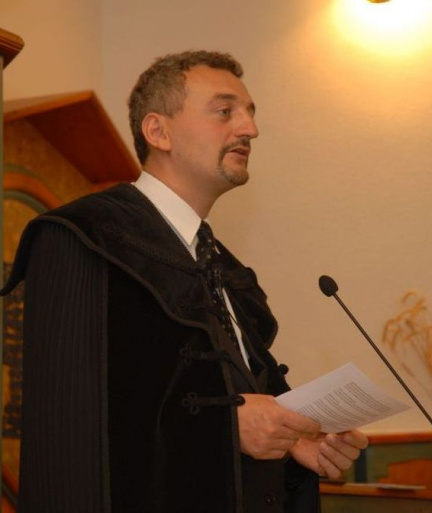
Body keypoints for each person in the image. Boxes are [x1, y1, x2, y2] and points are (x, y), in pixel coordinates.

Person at [2, 50, 368, 513]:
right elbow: (69, 423)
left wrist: (292, 446)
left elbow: (224, 407)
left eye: (250, 112)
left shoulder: (223, 267)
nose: (250, 129)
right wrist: (226, 429)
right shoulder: (83, 236)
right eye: (225, 111)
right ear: (158, 132)